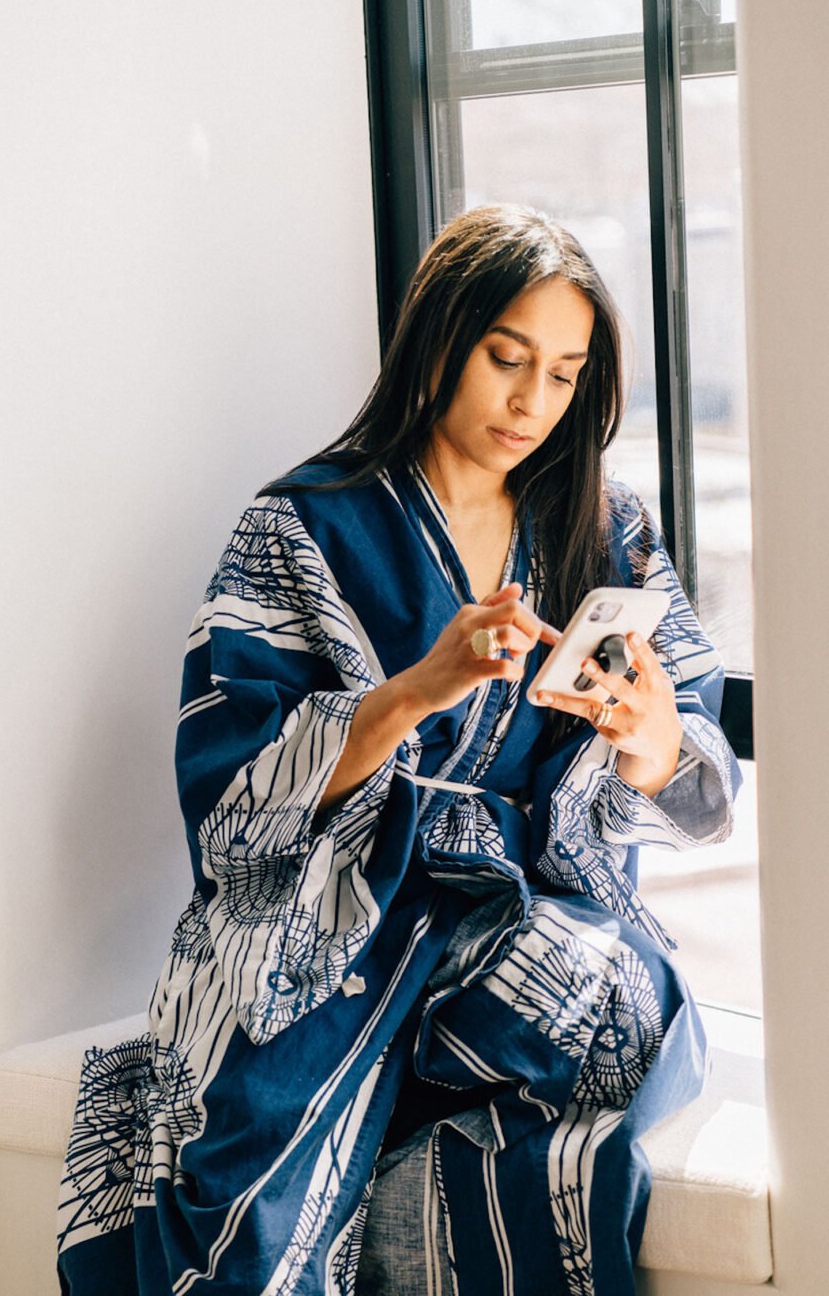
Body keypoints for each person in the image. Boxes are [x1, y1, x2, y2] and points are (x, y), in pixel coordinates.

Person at [56, 204, 741, 1296]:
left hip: (523, 913)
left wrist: (650, 739)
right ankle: (362, 1089)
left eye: (564, 374)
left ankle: (392, 1099)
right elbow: (230, 794)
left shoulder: (603, 525)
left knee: (613, 1006)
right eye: (504, 357)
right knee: (256, 1192)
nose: (530, 401)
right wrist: (417, 688)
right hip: (335, 919)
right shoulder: (301, 526)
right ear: (437, 342)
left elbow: (699, 769)